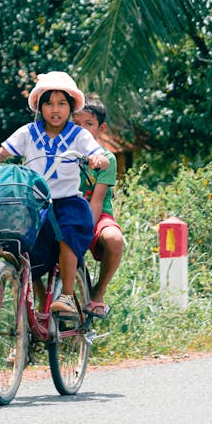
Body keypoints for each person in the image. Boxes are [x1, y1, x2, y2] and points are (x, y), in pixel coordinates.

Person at [0, 72, 111, 316]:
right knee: (21, 249)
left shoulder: (79, 136)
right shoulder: (27, 133)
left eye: (61, 103)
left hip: (67, 202)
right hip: (34, 204)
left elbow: (98, 153)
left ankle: (67, 296)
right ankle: (29, 319)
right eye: (49, 103)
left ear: (70, 107)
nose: (55, 109)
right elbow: (1, 153)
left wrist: (98, 159)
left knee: (68, 233)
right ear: (40, 106)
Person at [73, 98, 124, 319]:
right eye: (76, 124)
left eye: (88, 124)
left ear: (101, 128)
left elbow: (97, 200)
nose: (81, 130)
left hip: (95, 214)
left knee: (114, 239)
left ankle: (98, 293)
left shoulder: (106, 159)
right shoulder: (59, 153)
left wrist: (85, 231)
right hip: (64, 210)